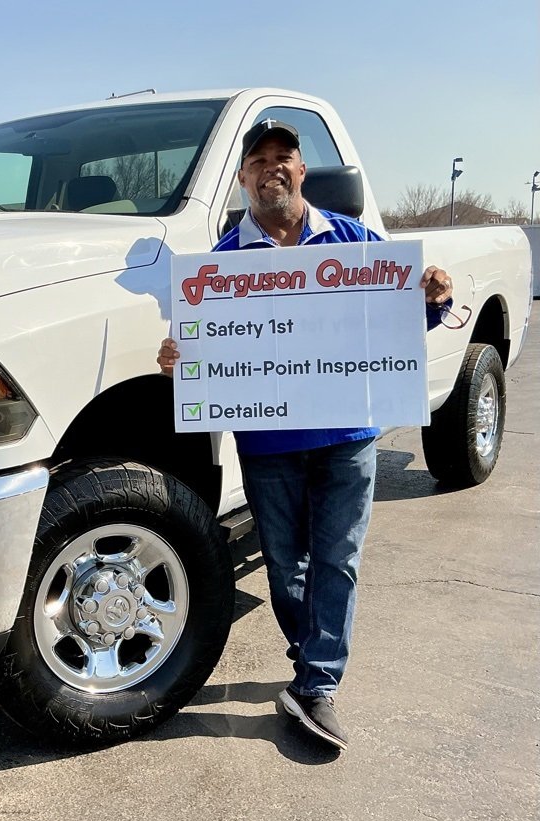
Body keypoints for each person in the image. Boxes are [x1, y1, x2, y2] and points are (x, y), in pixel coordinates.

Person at [157, 119, 453, 751]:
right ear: (242, 178)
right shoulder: (219, 269)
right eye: (258, 158)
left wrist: (430, 301)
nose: (272, 167)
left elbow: (393, 328)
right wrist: (184, 359)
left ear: (301, 170)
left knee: (338, 559)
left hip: (348, 435)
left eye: (283, 156)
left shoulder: (353, 243)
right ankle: (309, 649)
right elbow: (205, 350)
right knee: (286, 565)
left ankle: (317, 684)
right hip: (268, 443)